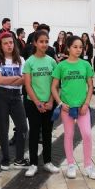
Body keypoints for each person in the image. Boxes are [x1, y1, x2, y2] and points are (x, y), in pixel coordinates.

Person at [51, 35, 95, 180]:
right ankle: (71, 164)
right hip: (67, 108)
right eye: (75, 47)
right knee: (69, 135)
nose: (78, 50)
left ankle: (88, 166)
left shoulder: (85, 65)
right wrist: (60, 103)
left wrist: (86, 104)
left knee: (87, 134)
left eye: (80, 47)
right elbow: (54, 87)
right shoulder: (61, 66)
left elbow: (90, 86)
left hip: (82, 108)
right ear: (68, 48)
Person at [23, 30, 60, 177]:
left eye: (46, 41)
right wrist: (37, 102)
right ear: (35, 43)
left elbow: (55, 84)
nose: (44, 44)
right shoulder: (29, 62)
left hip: (49, 103)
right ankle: (33, 164)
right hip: (33, 104)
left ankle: (48, 162)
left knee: (47, 133)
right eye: (41, 41)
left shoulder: (51, 61)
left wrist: (51, 101)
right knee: (33, 133)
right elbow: (28, 85)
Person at [0, 32, 29, 170]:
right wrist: (17, 77)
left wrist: (11, 79)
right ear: (0, 45)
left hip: (16, 96)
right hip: (0, 96)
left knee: (23, 127)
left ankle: (19, 159)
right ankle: (5, 159)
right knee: (3, 127)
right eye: (6, 43)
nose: (9, 45)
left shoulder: (21, 60)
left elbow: (25, 80)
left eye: (11, 42)